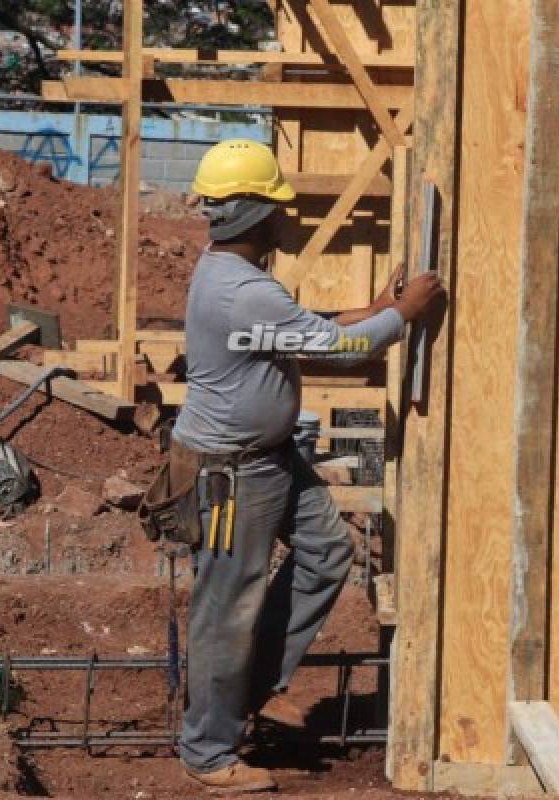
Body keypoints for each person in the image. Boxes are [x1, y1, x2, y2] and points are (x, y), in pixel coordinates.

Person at [170, 139, 443, 793]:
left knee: (323, 552)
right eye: (276, 209)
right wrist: (403, 316)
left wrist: (379, 308)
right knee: (226, 611)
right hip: (233, 474)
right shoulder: (239, 291)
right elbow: (340, 349)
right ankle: (208, 752)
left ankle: (243, 694)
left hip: (271, 462)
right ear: (251, 216)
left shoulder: (237, 278)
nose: (284, 220)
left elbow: (306, 324)